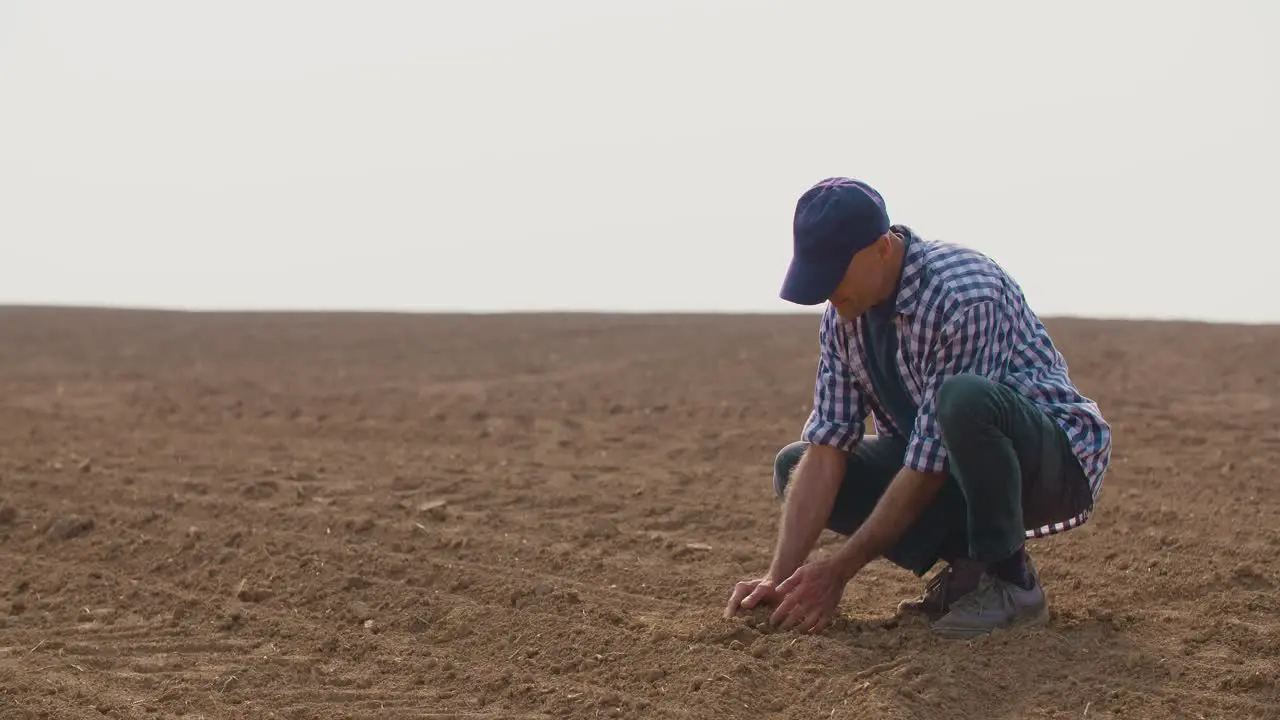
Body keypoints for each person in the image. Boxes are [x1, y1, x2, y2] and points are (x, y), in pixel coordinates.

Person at [724, 177, 1111, 639]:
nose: (828, 293)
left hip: (1052, 463)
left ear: (882, 249)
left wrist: (838, 572)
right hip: (951, 464)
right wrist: (780, 578)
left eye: (834, 274)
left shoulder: (963, 294)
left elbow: (930, 461)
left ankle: (1012, 583)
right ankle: (973, 571)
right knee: (796, 463)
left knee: (962, 400)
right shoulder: (843, 319)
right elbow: (828, 447)